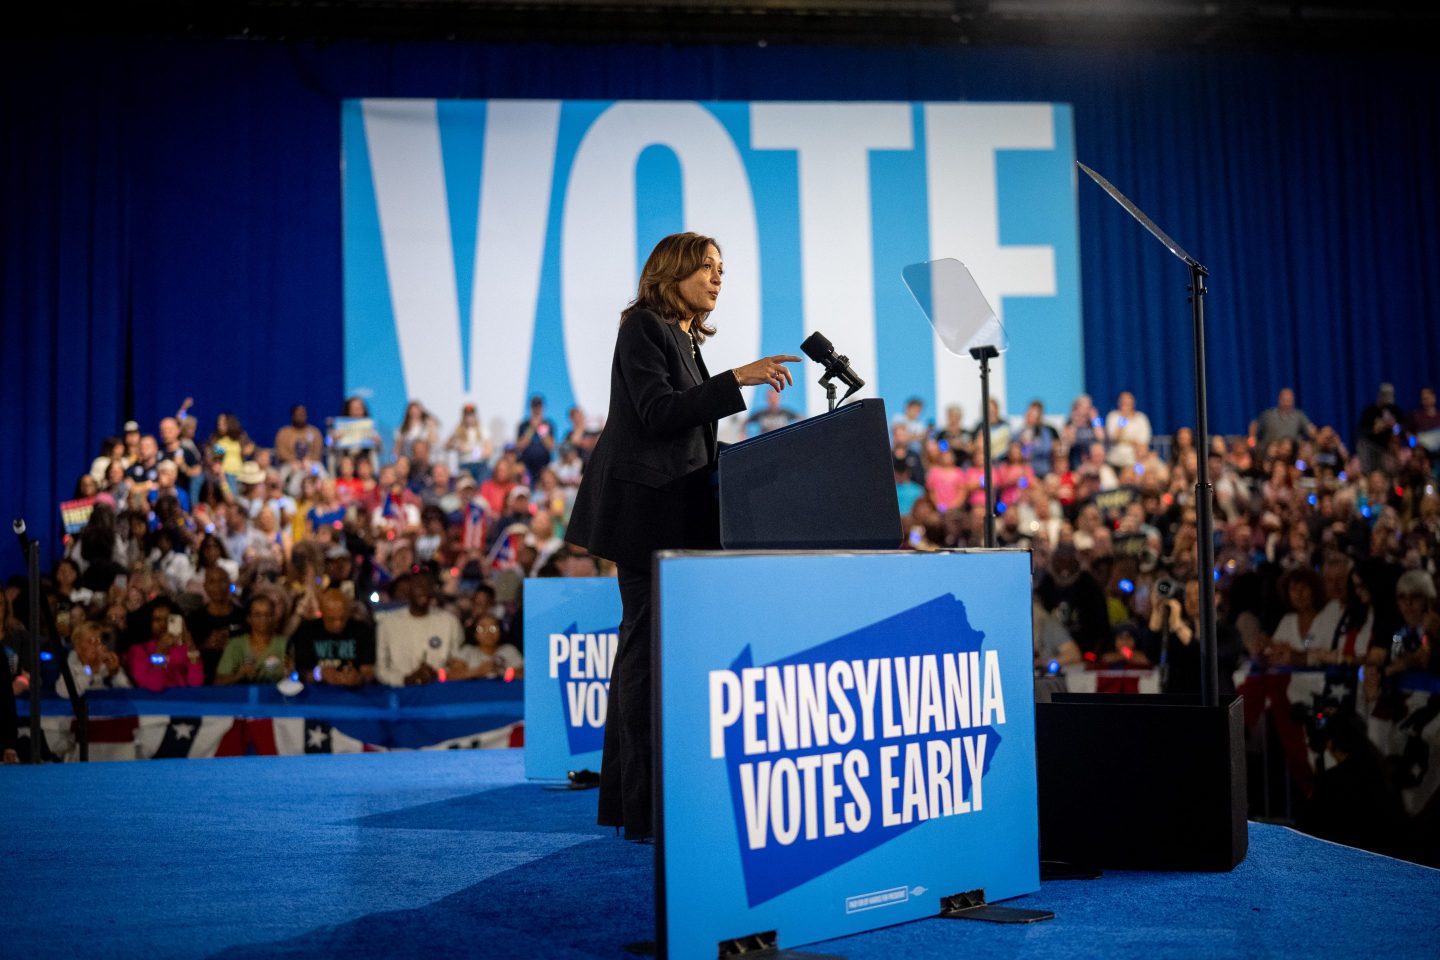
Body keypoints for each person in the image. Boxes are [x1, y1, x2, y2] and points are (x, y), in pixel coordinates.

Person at [564, 231, 800, 841]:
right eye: (707, 267)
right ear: (673, 272)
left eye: (723, 268)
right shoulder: (644, 326)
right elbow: (658, 412)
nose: (719, 277)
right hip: (646, 517)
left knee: (652, 655)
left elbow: (690, 436)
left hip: (676, 515)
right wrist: (737, 378)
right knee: (644, 657)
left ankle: (633, 803)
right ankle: (643, 810)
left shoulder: (686, 338)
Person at [375, 572, 464, 687]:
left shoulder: (450, 622)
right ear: (408, 590)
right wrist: (406, 680)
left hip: (440, 689)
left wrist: (438, 674)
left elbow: (459, 663)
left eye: (427, 585)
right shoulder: (388, 623)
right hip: (401, 692)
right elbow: (381, 670)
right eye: (418, 585)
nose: (423, 590)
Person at [289, 589, 376, 687]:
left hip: (355, 692)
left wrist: (358, 678)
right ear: (322, 613)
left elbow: (369, 671)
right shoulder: (307, 631)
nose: (338, 624)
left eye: (342, 618)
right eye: (332, 619)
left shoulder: (362, 630)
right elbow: (301, 672)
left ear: (348, 613)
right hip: (317, 691)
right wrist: (320, 674)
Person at [215, 595, 290, 685]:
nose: (263, 619)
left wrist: (290, 673)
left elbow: (295, 677)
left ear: (274, 617)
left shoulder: (285, 644)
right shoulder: (235, 644)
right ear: (249, 618)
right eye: (257, 615)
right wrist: (239, 675)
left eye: (268, 614)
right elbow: (218, 682)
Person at [1249, 388, 1316, 450]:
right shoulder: (1268, 415)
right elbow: (1254, 426)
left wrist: (1313, 433)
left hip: (1292, 452)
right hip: (1271, 450)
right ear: (1279, 400)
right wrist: (1252, 440)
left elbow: (1310, 429)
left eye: (1289, 401)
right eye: (1284, 400)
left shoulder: (1299, 415)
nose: (1286, 403)